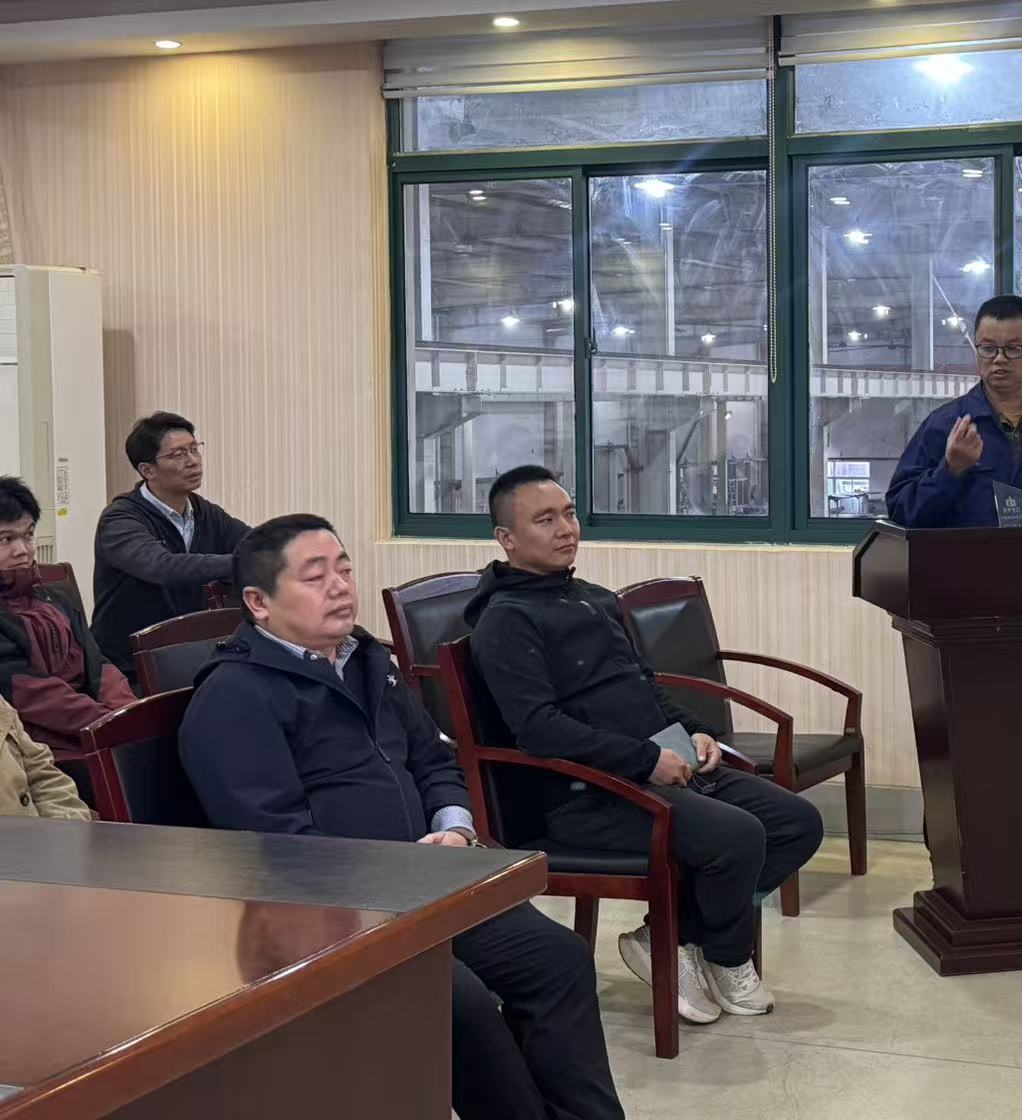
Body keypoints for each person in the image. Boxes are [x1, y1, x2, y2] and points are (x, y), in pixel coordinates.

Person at [178, 515, 623, 1120]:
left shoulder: (367, 660)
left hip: (424, 888)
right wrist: (396, 876)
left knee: (557, 957)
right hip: (332, 916)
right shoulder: (235, 696)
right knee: (456, 999)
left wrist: (454, 825)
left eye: (344, 569)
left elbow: (433, 758)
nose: (340, 586)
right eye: (315, 576)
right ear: (259, 602)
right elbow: (276, 844)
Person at [468, 465, 823, 1025]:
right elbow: (539, 729)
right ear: (506, 539)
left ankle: (673, 936)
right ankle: (724, 955)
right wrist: (646, 760)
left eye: (569, 513)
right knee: (737, 836)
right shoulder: (506, 622)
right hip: (586, 796)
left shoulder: (592, 598)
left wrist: (696, 731)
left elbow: (643, 687)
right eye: (545, 519)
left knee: (796, 822)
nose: (566, 529)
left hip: (658, 767)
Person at [885, 294, 1022, 527]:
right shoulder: (942, 428)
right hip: (965, 553)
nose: (999, 359)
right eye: (988, 348)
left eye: (1013, 348)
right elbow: (901, 511)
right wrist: (950, 470)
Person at [92, 412, 250, 676]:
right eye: (178, 454)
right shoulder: (120, 519)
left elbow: (253, 542)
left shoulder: (203, 511)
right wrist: (243, 564)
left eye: (194, 449)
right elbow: (164, 567)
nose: (193, 461)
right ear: (147, 470)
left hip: (189, 655)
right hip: (127, 668)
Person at [0, 476, 136, 760]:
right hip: (31, 745)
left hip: (94, 725)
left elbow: (98, 664)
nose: (22, 550)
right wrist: (109, 724)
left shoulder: (56, 597)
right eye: (5, 539)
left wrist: (128, 712)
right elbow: (32, 696)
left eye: (28, 535)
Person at [1, 693, 94, 820]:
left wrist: (66, 825)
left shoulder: (2, 706)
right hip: (69, 748)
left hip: (37, 828)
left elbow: (43, 776)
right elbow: (55, 702)